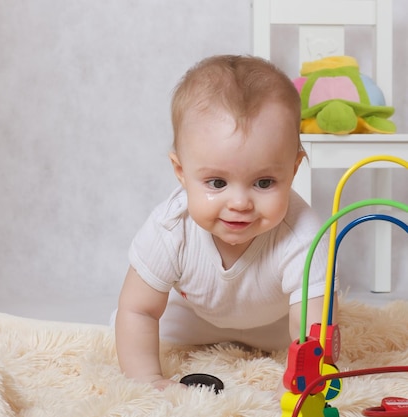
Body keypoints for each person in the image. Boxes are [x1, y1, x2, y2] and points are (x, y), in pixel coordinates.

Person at [114, 55, 335, 390]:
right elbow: (139, 310)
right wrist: (148, 381)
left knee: (322, 331)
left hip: (278, 324)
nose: (240, 203)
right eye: (217, 183)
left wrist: (307, 379)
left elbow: (312, 329)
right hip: (192, 319)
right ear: (181, 173)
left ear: (293, 170)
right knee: (125, 323)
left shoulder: (304, 234)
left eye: (264, 183)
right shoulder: (171, 228)